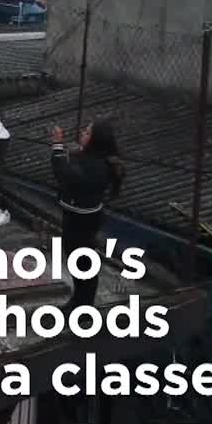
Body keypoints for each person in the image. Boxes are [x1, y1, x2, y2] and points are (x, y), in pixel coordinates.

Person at [50, 120, 124, 309]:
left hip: (81, 219)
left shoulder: (96, 166)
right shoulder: (92, 158)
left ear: (95, 140)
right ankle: (80, 300)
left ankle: (83, 304)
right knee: (78, 259)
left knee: (82, 261)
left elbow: (62, 173)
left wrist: (57, 145)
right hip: (77, 215)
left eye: (87, 132)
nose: (82, 133)